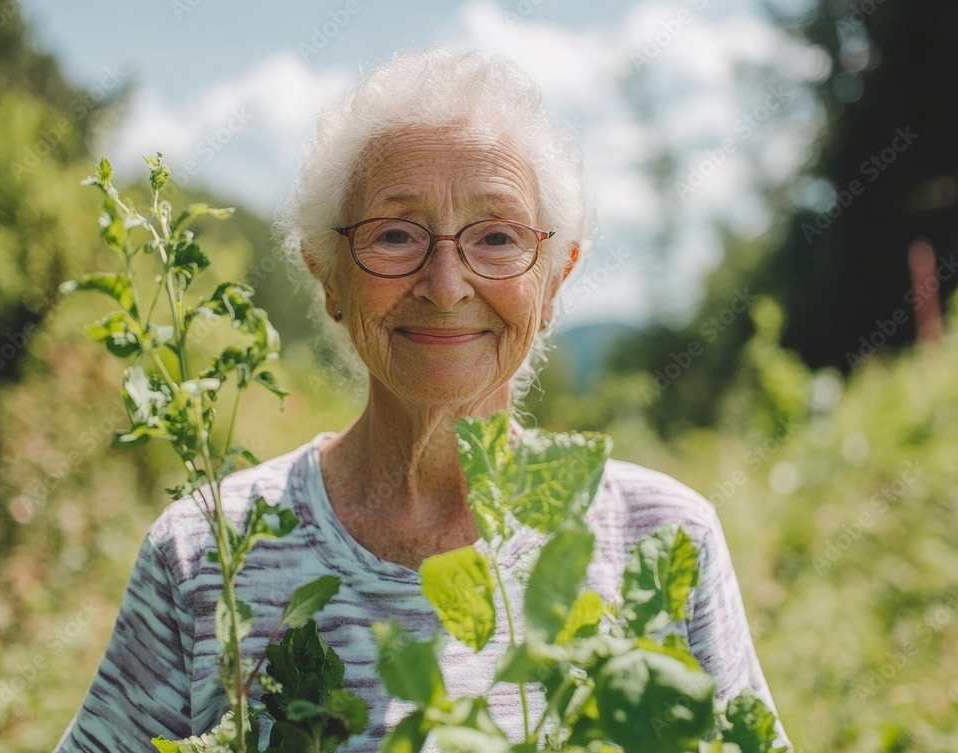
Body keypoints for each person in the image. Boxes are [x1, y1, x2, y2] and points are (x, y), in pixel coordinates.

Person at [55, 47, 792, 752]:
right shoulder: (206, 552)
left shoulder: (665, 542)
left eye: (497, 237)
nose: (445, 286)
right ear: (328, 275)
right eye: (396, 235)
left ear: (554, 280)